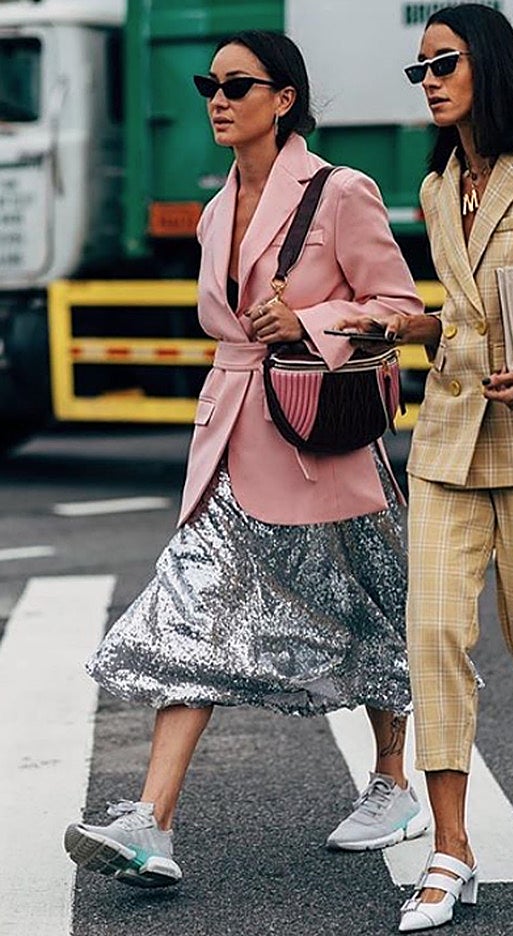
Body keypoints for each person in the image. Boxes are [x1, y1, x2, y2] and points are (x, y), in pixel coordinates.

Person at [63, 30, 431, 889]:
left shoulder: (340, 191)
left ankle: (392, 781)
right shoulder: (213, 206)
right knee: (192, 610)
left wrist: (311, 322)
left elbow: (401, 307)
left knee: (370, 604)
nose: (217, 99)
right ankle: (151, 821)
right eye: (209, 84)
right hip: (231, 441)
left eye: (237, 84)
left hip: (320, 442)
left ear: (285, 98)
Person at [338, 3, 513, 931]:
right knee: (434, 640)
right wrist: (415, 325)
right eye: (417, 70)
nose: (427, 80)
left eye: (442, 63)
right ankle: (450, 850)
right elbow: (463, 318)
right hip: (451, 443)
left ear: (487, 64)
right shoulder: (431, 189)